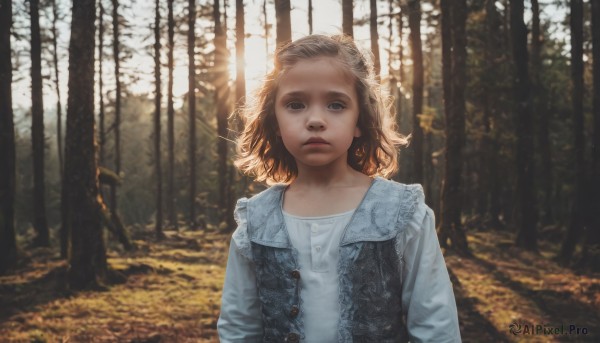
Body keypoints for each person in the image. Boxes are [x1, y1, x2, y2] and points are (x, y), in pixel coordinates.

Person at [217, 34, 461, 343]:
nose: (315, 120)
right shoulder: (255, 221)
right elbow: (239, 329)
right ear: (275, 122)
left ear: (359, 118)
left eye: (336, 104)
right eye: (295, 104)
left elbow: (436, 327)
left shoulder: (403, 212)